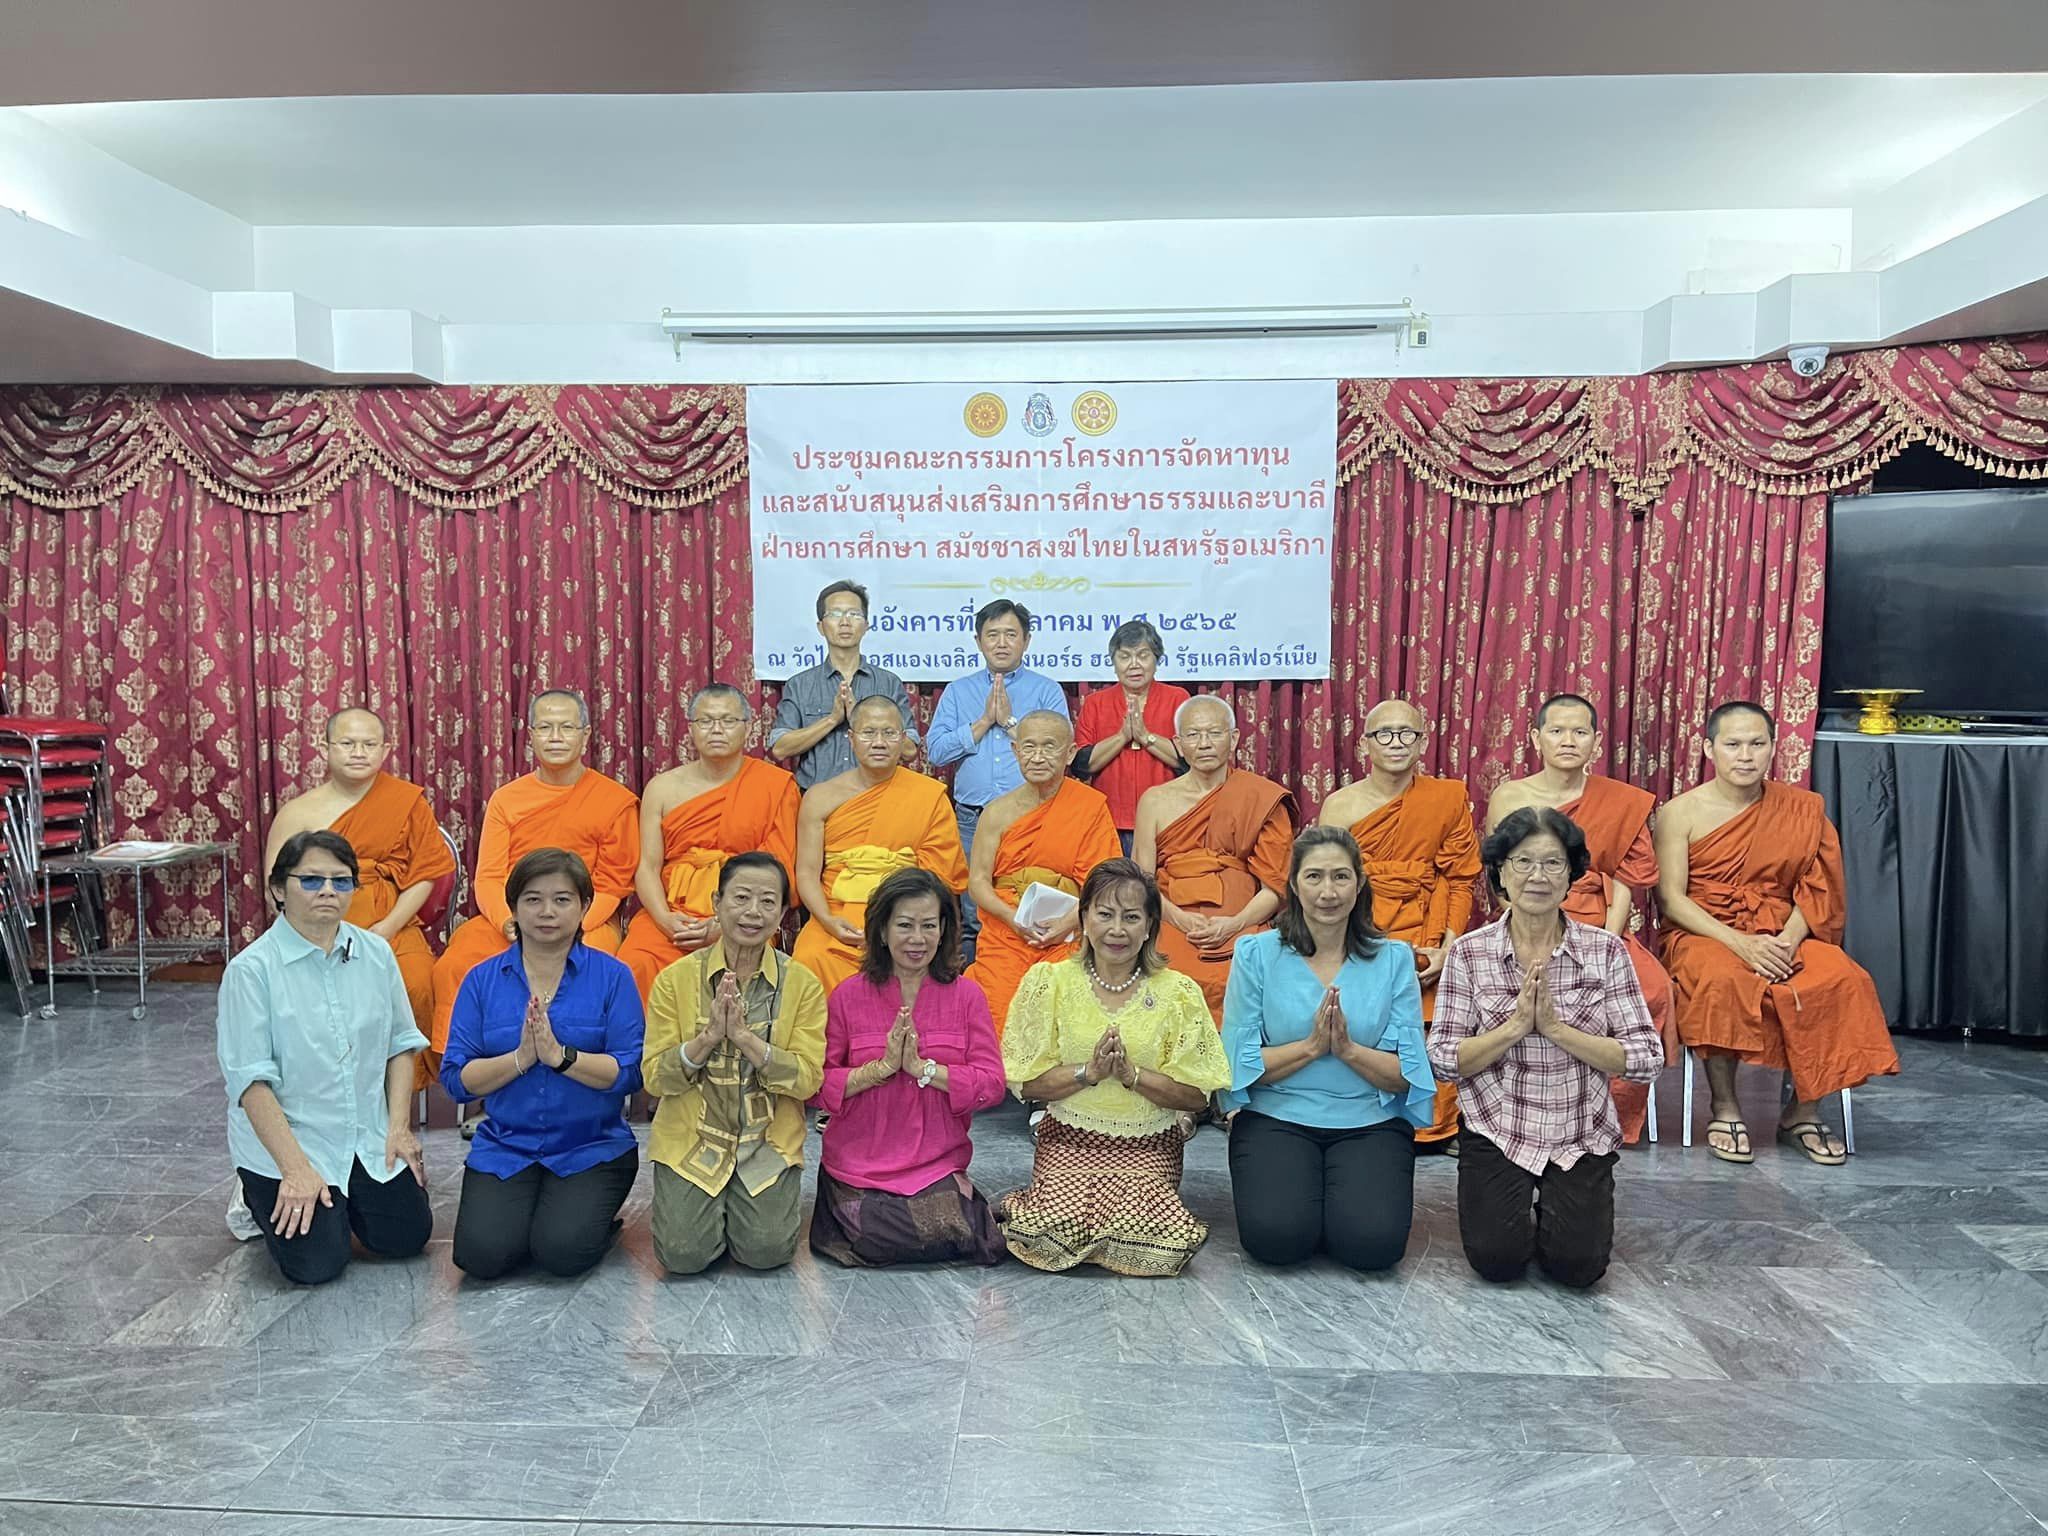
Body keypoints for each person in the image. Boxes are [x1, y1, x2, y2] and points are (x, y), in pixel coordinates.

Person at [1428, 808, 1664, 1288]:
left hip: (1580, 1129)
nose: (1538, 876)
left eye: (1553, 863)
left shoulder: (1605, 951)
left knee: (1579, 1268)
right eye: (1523, 862)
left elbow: (1646, 1058)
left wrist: (1557, 1029)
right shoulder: (1469, 953)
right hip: (1497, 1124)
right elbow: (1443, 1059)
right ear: (1500, 873)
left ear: (1572, 875)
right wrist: (1515, 1027)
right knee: (1496, 1261)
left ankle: (1560, 1211)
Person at [1656, 701, 1900, 1166]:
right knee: (1720, 980)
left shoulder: (1803, 810)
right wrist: (1741, 943)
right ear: (1709, 748)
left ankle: (1802, 1113)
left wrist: (1786, 942)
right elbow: (1671, 899)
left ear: (1773, 748)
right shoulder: (1680, 813)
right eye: (1732, 744)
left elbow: (1818, 886)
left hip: (1783, 930)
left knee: (1840, 979)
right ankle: (1725, 1106)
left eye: (1757, 743)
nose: (1745, 755)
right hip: (1705, 932)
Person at [216, 830, 432, 1285]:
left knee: (406, 1237)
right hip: (293, 1141)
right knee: (316, 1265)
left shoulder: (375, 953)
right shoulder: (250, 972)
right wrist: (295, 1170)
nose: (328, 891)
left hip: (363, 1134)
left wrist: (397, 1128)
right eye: (312, 880)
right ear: (279, 889)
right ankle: (254, 1191)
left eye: (341, 881)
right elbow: (251, 1085)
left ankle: (348, 1197)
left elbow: (400, 1045)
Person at [999, 859, 1232, 1276]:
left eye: (1131, 917)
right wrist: (1087, 1073)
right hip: (1068, 1140)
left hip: (1148, 1145)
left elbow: (1196, 1096)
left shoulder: (1178, 992)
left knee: (1155, 1242)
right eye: (1105, 915)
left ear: (1150, 925)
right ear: (1084, 918)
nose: (1117, 930)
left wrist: (1132, 1077)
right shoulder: (1050, 982)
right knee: (1049, 1235)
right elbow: (1027, 1083)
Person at [1220, 828, 1436, 1271]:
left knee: (1372, 1247)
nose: (1328, 892)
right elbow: (1236, 1065)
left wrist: (1348, 1050)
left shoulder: (1394, 958)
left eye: (1340, 877)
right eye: (1314, 876)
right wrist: (1311, 1047)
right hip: (1276, 1115)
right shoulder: (1255, 954)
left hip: (1370, 1120)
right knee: (1276, 1240)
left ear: (1359, 884)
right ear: (1294, 885)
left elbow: (1405, 1074)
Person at [441, 848, 645, 1279]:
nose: (547, 911)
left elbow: (629, 1073)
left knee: (562, 1254)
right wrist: (521, 1058)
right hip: (507, 1146)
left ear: (585, 906)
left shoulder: (613, 977)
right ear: (513, 907)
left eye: (562, 899)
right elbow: (457, 1079)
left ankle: (582, 1219)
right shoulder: (482, 980)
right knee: (481, 1258)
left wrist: (560, 1058)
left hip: (591, 1145)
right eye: (533, 899)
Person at [1486, 692, 1675, 1143]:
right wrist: (1530, 930)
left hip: (1600, 924)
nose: (1568, 741)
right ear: (1537, 739)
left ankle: (1609, 1114)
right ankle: (1521, 1105)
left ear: (1596, 741)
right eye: (1556, 731)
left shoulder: (1622, 802)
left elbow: (1626, 881)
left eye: (1579, 732)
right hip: (1526, 921)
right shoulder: (1511, 796)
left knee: (1652, 989)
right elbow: (1500, 879)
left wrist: (1604, 943)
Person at [810, 869, 1008, 1265]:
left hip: (935, 1162)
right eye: (904, 925)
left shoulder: (967, 995)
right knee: (870, 1233)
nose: (917, 938)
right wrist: (879, 1069)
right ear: (882, 931)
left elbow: (992, 1084)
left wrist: (924, 1070)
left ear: (944, 930)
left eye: (928, 925)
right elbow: (817, 1084)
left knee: (953, 1231)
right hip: (858, 1163)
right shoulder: (847, 995)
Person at [643, 851, 826, 1275]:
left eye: (768, 901)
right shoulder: (674, 981)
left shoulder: (803, 985)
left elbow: (807, 1080)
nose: (753, 912)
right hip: (691, 1137)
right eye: (741, 898)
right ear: (717, 902)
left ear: (782, 914)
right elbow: (654, 1077)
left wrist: (745, 1039)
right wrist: (708, 1038)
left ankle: (739, 1212)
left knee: (767, 1251)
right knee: (683, 1256)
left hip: (767, 1140)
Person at [430, 689, 640, 1056]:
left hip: (585, 921)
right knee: (456, 963)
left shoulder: (613, 801)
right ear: (530, 736)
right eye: (545, 727)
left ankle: (577, 1063)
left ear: (586, 735)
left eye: (566, 727)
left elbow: (612, 883)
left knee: (589, 968)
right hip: (512, 918)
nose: (556, 737)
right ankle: (468, 1066)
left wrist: (572, 923)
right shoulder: (508, 799)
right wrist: (508, 923)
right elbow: (490, 876)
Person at [1317, 698, 1481, 1150]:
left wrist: (1449, 947)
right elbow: (1329, 885)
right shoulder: (1341, 806)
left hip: (1428, 928)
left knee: (1435, 1016)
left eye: (1407, 733)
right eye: (1384, 734)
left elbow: (1460, 877)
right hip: (1361, 930)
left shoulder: (1446, 798)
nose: (1396, 743)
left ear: (1423, 742)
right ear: (1364, 744)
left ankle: (1433, 1125)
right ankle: (1362, 1113)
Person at [262, 707, 456, 1044]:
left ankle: (406, 1074)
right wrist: (314, 935)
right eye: (347, 743)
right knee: (315, 999)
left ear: (385, 749)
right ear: (325, 748)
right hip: (318, 928)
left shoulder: (406, 802)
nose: (358, 753)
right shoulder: (298, 813)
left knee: (417, 985)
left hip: (390, 924)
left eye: (369, 744)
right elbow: (276, 889)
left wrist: (386, 929)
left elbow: (425, 874)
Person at [617, 684, 801, 1001]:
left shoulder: (776, 786)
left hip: (747, 914)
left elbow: (778, 871)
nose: (717, 729)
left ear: (748, 728)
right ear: (691, 728)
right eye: (706, 721)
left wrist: (723, 923)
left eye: (728, 721)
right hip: (673, 913)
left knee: (743, 965)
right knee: (636, 962)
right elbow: (647, 867)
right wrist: (665, 920)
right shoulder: (662, 788)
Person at [790, 696, 968, 994]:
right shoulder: (820, 797)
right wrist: (829, 921)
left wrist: (902, 922)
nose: (879, 742)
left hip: (906, 914)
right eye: (869, 733)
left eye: (889, 733)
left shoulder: (928, 796)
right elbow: (807, 873)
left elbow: (939, 878)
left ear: (903, 739)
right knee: (809, 957)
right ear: (851, 739)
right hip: (836, 912)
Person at [1133, 695, 1295, 1023]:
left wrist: (1235, 924)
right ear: (1178, 744)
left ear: (1234, 739)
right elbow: (1141, 883)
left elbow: (1275, 888)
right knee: (1163, 985)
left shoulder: (1260, 797)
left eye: (1215, 733)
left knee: (1250, 986)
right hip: (1170, 920)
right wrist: (1180, 919)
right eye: (1193, 735)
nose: (1204, 743)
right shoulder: (1155, 800)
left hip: (1243, 922)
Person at [925, 599, 1070, 956]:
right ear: (978, 641)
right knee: (975, 914)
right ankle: (981, 980)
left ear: (1026, 640)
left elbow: (1059, 751)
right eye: (992, 635)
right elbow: (936, 752)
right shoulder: (958, 691)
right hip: (972, 819)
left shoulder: (1046, 690)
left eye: (1010, 634)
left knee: (1034, 904)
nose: (1001, 643)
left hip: (1032, 816)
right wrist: (982, 723)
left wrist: (1008, 722)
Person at [964, 710, 1123, 1032]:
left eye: (1049, 747)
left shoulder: (1089, 807)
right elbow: (978, 883)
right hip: (1006, 932)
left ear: (1070, 753)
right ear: (1015, 751)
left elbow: (1106, 884)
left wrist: (1070, 922)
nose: (1037, 757)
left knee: (1063, 1013)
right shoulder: (996, 812)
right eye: (1029, 747)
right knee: (998, 1010)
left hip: (1069, 931)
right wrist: (1012, 919)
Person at [767, 580, 920, 790]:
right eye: (835, 614)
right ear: (821, 627)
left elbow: (910, 750)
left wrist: (860, 717)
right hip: (816, 799)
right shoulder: (800, 685)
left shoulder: (888, 683)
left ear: (866, 625)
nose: (845, 622)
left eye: (854, 614)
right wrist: (832, 720)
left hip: (877, 797)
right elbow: (780, 748)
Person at [1072, 620, 1188, 856]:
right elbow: (1081, 765)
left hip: (1166, 819)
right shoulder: (1096, 703)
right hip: (1110, 820)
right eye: (1124, 657)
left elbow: (1187, 761)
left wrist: (1146, 737)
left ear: (1157, 659)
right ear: (1114, 663)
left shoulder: (1177, 699)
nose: (1134, 664)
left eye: (1143, 655)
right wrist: (1122, 737)